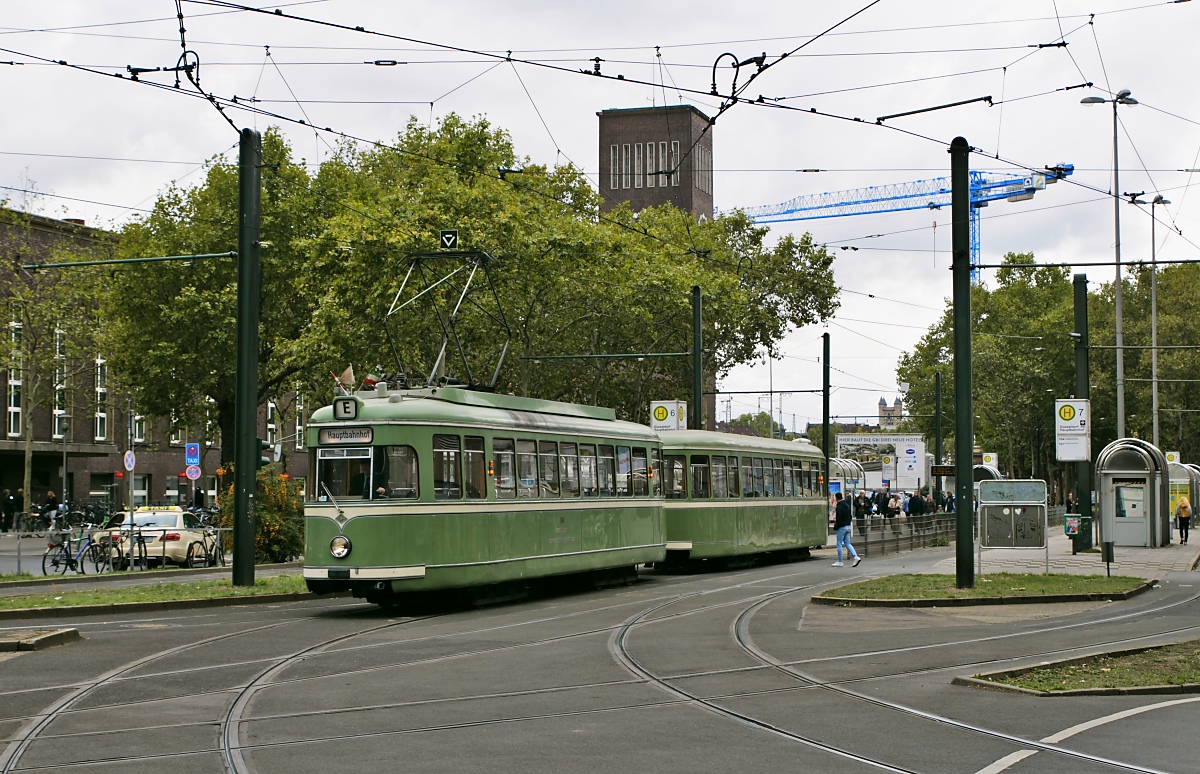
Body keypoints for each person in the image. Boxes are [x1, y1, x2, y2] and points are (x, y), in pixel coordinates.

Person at [832, 492, 861, 567]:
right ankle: (855, 557)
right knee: (847, 543)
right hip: (848, 526)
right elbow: (850, 516)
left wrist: (836, 526)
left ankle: (840, 561)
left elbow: (839, 519)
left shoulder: (839, 507)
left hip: (842, 527)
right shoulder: (847, 505)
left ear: (836, 498)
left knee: (839, 543)